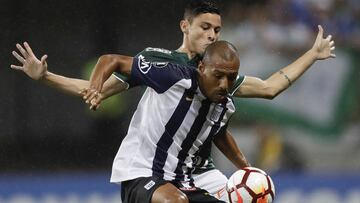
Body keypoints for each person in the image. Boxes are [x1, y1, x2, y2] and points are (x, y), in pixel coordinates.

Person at [11, 1, 250, 201]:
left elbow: (267, 89)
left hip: (190, 173)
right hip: (145, 170)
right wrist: (45, 77)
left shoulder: (218, 76)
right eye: (205, 27)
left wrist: (246, 169)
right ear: (185, 26)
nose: (211, 35)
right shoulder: (163, 66)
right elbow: (98, 84)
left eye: (217, 31)